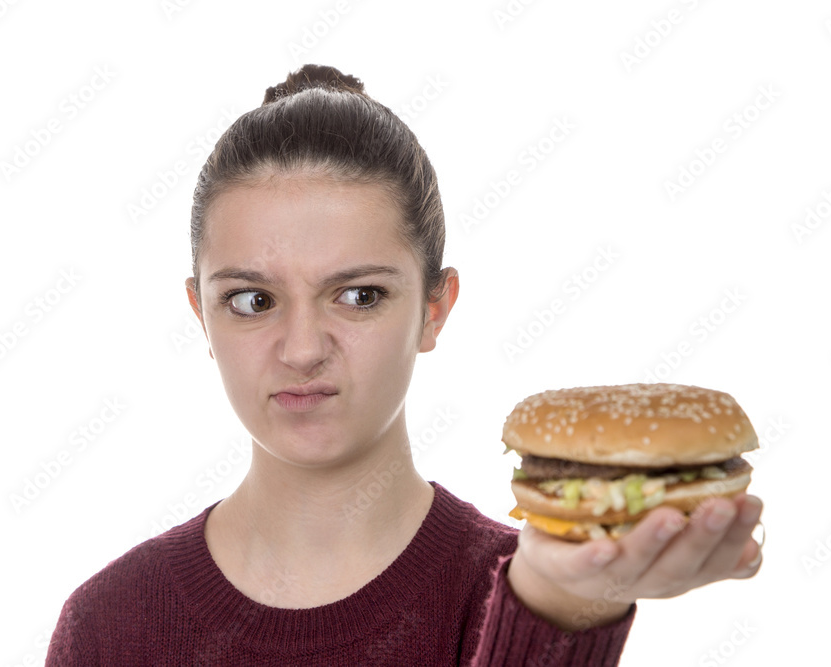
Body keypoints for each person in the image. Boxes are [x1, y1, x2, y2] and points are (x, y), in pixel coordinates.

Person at [45, 64, 763, 666]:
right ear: (201, 313)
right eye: (252, 299)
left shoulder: (537, 586)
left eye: (359, 295)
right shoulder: (108, 627)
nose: (301, 348)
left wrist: (558, 618)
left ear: (434, 308)